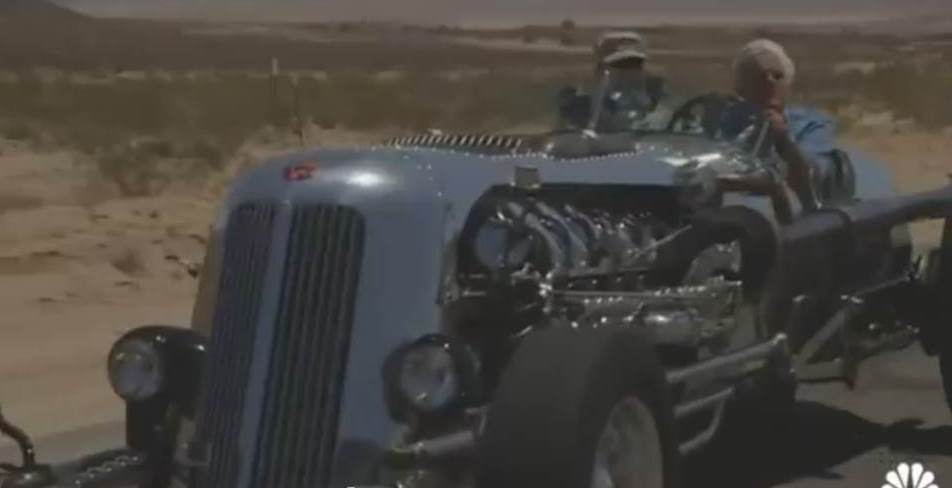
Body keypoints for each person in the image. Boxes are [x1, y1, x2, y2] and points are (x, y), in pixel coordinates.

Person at [721, 39, 823, 220]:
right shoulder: (725, 119)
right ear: (741, 86)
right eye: (758, 76)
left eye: (777, 76)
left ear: (788, 83)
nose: (769, 81)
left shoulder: (810, 123)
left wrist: (783, 140)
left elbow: (814, 175)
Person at [557, 30, 666, 131]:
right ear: (602, 68)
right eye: (621, 65)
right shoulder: (583, 104)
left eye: (635, 64)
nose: (629, 70)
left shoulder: (656, 99)